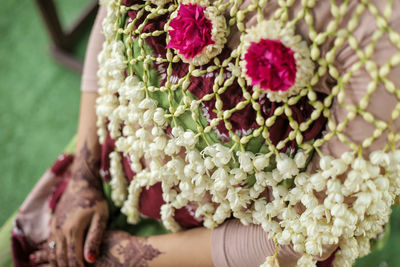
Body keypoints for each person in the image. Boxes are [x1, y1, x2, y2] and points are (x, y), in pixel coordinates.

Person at [11, 0, 400, 266]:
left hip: (232, 243)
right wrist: (84, 170)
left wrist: (136, 255)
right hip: (112, 157)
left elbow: (314, 228)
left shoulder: (382, 32)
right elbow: (114, 15)